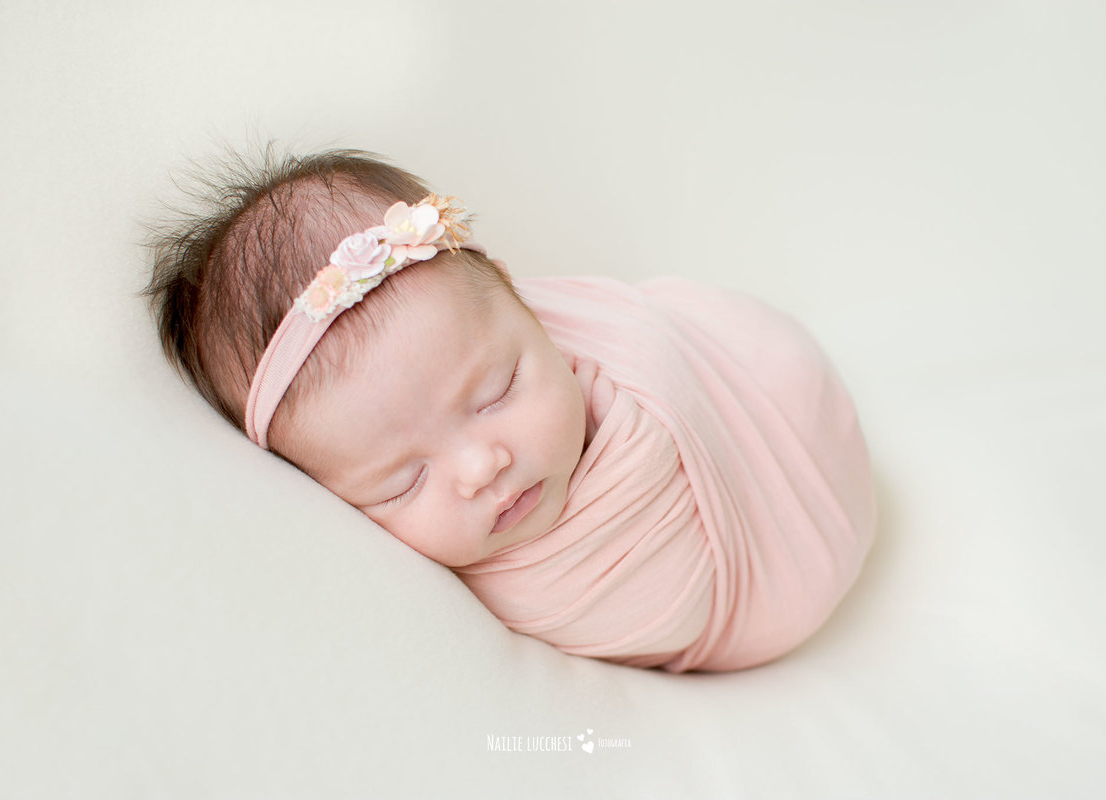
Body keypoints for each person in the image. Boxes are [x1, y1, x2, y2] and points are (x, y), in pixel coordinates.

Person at [145, 147, 876, 672]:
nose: (481, 468)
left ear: (521, 299)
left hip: (774, 403)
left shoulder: (621, 367)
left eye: (496, 392)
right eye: (402, 481)